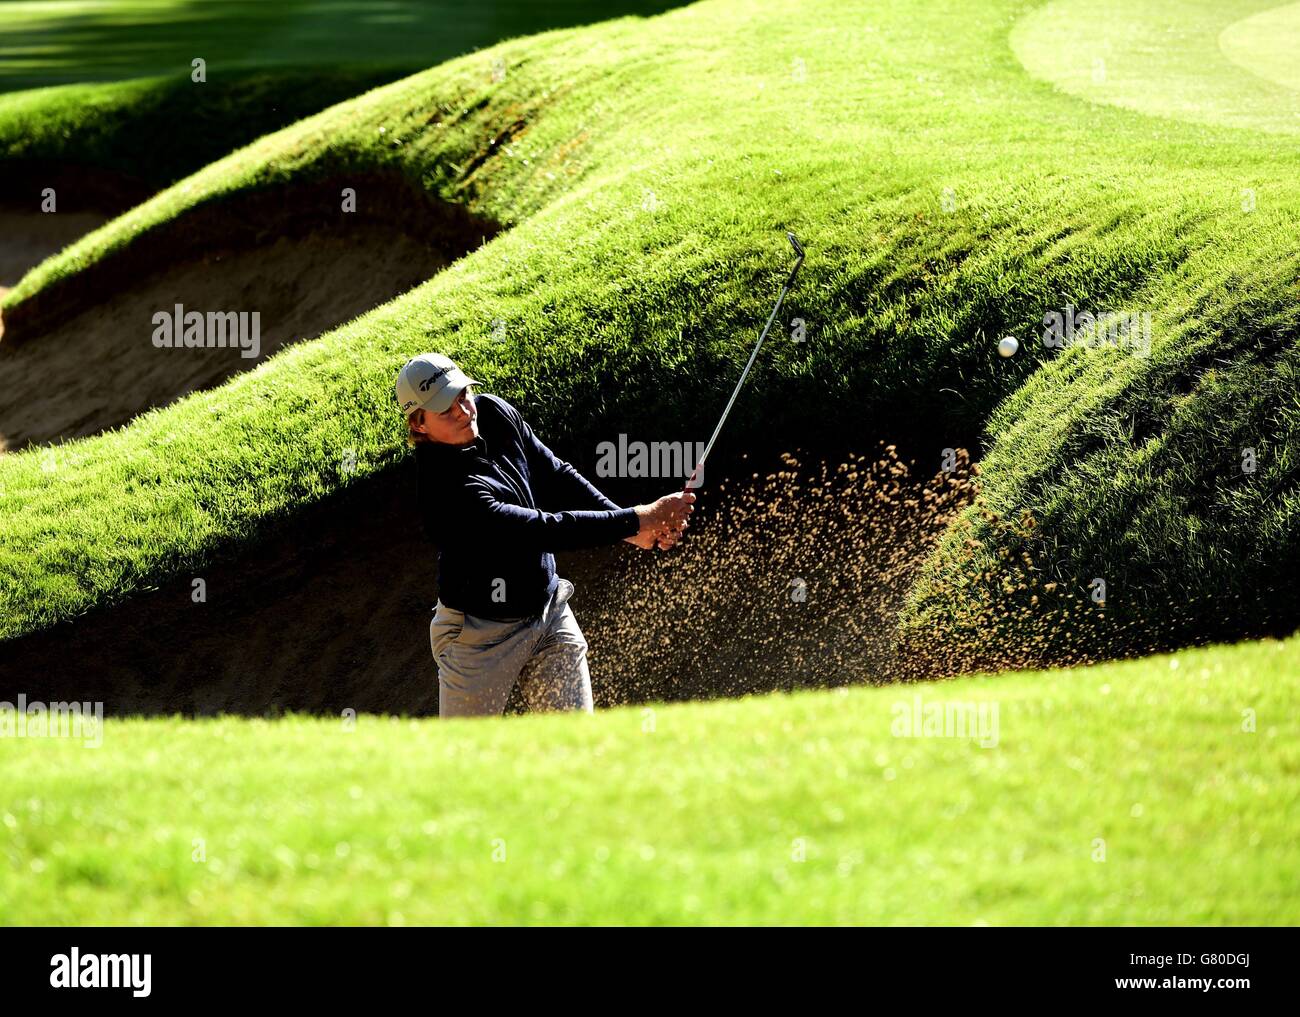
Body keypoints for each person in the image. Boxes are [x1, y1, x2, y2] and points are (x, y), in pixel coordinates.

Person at [395, 353, 695, 718]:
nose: (463, 411)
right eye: (446, 409)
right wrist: (637, 519)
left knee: (576, 743)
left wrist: (631, 528)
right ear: (419, 424)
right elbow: (540, 529)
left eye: (463, 395)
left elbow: (555, 474)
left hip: (548, 612)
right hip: (479, 636)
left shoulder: (494, 414)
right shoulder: (446, 491)